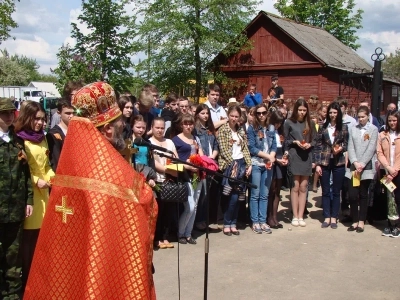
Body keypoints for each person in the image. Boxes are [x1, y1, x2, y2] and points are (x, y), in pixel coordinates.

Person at [23, 82, 157, 299]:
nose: (124, 124)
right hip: (103, 262)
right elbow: (141, 201)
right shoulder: (109, 171)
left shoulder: (74, 161)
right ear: (107, 128)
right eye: (120, 121)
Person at [14, 101, 55, 289]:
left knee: (42, 238)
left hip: (44, 194)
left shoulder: (42, 138)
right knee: (29, 241)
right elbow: (21, 169)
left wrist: (52, 178)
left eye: (42, 119)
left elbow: (45, 164)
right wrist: (36, 180)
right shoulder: (19, 139)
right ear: (27, 117)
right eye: (36, 119)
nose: (39, 123)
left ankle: (39, 278)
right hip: (30, 195)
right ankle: (27, 281)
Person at [0, 98, 33, 299]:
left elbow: (26, 174)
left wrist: (29, 200)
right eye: (4, 113)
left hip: (15, 209)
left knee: (14, 260)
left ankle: (12, 295)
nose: (9, 116)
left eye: (11, 113)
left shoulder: (18, 142)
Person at [217, 105, 252, 236]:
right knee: (230, 196)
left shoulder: (241, 131)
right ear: (228, 115)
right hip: (230, 164)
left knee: (239, 197)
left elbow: (245, 149)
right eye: (232, 116)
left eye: (236, 116)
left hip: (241, 163)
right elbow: (224, 150)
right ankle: (227, 223)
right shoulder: (223, 130)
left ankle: (233, 223)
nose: (234, 118)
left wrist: (249, 165)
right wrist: (233, 165)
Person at [315, 102, 348, 229]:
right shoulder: (323, 127)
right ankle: (327, 216)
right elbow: (317, 146)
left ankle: (334, 217)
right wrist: (317, 164)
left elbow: (346, 143)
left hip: (338, 161)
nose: (332, 115)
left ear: (338, 113)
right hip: (324, 161)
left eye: (335, 112)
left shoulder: (343, 127)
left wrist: (340, 148)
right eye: (330, 112)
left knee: (336, 191)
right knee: (325, 190)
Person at [284, 98, 316, 227]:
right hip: (295, 155)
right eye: (300, 110)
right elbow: (285, 141)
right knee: (295, 186)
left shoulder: (311, 123)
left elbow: (315, 140)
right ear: (296, 110)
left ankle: (301, 215)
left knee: (304, 187)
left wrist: (309, 144)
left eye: (304, 110)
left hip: (306, 156)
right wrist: (294, 142)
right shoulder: (289, 122)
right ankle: (295, 215)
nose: (302, 112)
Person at [172, 114, 204, 244]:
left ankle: (188, 233)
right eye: (186, 124)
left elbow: (201, 154)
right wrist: (187, 164)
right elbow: (174, 159)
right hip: (184, 175)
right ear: (181, 125)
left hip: (197, 175)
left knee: (195, 206)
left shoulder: (196, 138)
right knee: (189, 206)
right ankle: (180, 233)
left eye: (190, 124)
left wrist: (199, 162)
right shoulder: (176, 140)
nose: (188, 126)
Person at [345, 105, 378, 233]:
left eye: (363, 117)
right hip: (354, 167)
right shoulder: (353, 129)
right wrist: (355, 161)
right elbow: (350, 146)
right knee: (352, 195)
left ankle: (361, 221)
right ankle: (354, 219)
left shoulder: (373, 129)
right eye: (359, 117)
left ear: (367, 117)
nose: (361, 119)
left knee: (363, 194)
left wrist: (362, 163)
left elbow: (371, 148)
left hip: (366, 167)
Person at [149, 117, 179, 248]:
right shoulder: (149, 142)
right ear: (152, 128)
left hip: (170, 180)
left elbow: (176, 158)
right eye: (157, 128)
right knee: (159, 211)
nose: (160, 130)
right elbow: (152, 163)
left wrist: (174, 168)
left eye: (162, 128)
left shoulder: (170, 142)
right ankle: (157, 238)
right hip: (157, 180)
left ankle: (165, 237)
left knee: (169, 210)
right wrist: (167, 170)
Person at [247, 104, 276, 234]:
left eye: (263, 113)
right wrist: (267, 156)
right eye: (258, 113)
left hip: (268, 165)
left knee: (265, 195)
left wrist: (272, 156)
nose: (261, 115)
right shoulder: (252, 128)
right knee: (255, 195)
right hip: (256, 164)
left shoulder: (271, 128)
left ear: (267, 113)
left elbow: (274, 145)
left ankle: (263, 221)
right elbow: (252, 148)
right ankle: (255, 221)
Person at [193, 104, 219, 231]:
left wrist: (213, 157)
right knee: (201, 194)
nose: (205, 115)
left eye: (207, 113)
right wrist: (205, 160)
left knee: (207, 194)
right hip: (202, 164)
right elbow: (197, 148)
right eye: (203, 113)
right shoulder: (196, 129)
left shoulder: (210, 128)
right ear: (197, 114)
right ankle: (198, 221)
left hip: (211, 163)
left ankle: (203, 219)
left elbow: (215, 144)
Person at [376, 110, 400, 237]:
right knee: (389, 199)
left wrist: (394, 170)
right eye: (390, 120)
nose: (392, 123)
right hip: (386, 171)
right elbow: (379, 153)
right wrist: (387, 167)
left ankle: (397, 225)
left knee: (398, 198)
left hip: (397, 172)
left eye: (394, 120)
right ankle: (390, 224)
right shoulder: (382, 135)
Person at [267, 110, 287, 228]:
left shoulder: (281, 131)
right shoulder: (270, 130)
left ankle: (275, 216)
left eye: (280, 123)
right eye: (276, 122)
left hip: (280, 159)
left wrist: (285, 155)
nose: (278, 125)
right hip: (272, 160)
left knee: (277, 191)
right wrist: (276, 159)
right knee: (271, 190)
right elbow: (268, 147)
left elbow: (284, 146)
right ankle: (269, 216)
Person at [47, 99, 74, 172]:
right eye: (68, 113)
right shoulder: (53, 134)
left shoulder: (76, 131)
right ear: (59, 113)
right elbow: (56, 161)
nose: (71, 116)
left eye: (73, 113)